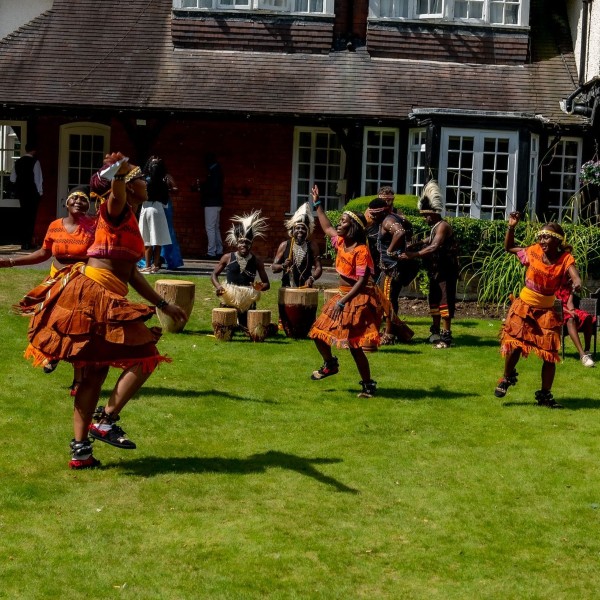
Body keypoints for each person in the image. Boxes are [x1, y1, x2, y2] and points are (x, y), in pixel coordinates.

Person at [17, 153, 188, 469]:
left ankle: (80, 452)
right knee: (146, 356)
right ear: (126, 187)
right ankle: (105, 420)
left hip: (105, 294)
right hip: (95, 294)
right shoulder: (115, 209)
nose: (146, 183)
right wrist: (119, 174)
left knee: (95, 371)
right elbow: (116, 192)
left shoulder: (129, 218)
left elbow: (132, 273)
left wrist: (163, 303)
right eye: (141, 179)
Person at [0, 185, 95, 388]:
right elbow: (44, 253)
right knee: (47, 321)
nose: (79, 201)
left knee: (78, 330)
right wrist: (10, 261)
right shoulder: (55, 225)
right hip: (56, 281)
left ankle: (78, 380)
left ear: (89, 205)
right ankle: (52, 354)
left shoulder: (94, 226)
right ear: (66, 202)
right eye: (75, 198)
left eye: (84, 199)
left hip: (81, 283)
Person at [494, 214, 582, 408]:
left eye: (546, 237)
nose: (541, 241)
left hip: (546, 311)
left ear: (557, 241)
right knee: (515, 344)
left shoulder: (565, 258)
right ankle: (507, 378)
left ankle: (545, 395)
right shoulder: (532, 251)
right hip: (524, 306)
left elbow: (574, 275)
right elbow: (508, 248)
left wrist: (577, 283)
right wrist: (511, 227)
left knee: (549, 354)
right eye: (540, 237)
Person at [308, 184, 382, 399]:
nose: (338, 224)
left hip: (356, 300)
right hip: (341, 297)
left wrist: (343, 301)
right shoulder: (341, 242)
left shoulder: (360, 250)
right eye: (340, 221)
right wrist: (318, 204)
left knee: (354, 345)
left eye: (343, 222)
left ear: (353, 228)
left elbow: (361, 281)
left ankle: (368, 385)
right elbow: (326, 227)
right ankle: (330, 364)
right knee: (317, 334)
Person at [400, 180, 459, 349]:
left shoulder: (443, 226)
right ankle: (435, 332)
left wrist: (412, 255)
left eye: (426, 215)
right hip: (435, 271)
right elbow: (428, 240)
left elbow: (434, 246)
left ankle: (446, 338)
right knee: (434, 300)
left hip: (446, 271)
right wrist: (415, 244)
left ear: (434, 213)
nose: (424, 218)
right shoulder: (435, 227)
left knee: (444, 302)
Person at [367, 197, 418, 345]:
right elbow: (408, 227)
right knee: (389, 299)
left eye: (374, 214)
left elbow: (400, 232)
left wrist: (390, 250)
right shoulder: (393, 217)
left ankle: (389, 335)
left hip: (392, 268)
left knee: (387, 301)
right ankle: (399, 332)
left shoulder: (388, 220)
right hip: (391, 267)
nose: (371, 217)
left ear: (381, 212)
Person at [211, 210, 270, 328]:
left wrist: (259, 287)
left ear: (251, 244)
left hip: (247, 299)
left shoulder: (257, 261)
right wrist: (219, 287)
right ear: (236, 243)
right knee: (225, 327)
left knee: (246, 327)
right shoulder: (227, 257)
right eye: (241, 242)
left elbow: (267, 284)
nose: (244, 245)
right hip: (229, 296)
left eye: (247, 242)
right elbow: (213, 275)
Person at [271, 202, 322, 288]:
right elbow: (273, 268)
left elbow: (319, 268)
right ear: (293, 230)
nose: (300, 231)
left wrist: (312, 278)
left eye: (303, 228)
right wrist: (283, 266)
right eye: (297, 228)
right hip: (287, 288)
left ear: (307, 231)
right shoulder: (284, 245)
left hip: (305, 289)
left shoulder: (312, 246)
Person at [139, 156, 172, 273]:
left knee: (147, 240)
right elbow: (165, 199)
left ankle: (147, 265)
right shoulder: (163, 181)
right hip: (158, 208)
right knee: (157, 240)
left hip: (146, 207)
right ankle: (155, 265)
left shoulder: (144, 181)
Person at [10, 143, 43, 250]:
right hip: (32, 193)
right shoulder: (35, 161)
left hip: (21, 193)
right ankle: (27, 243)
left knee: (23, 217)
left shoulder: (18, 162)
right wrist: (40, 193)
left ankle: (23, 242)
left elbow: (12, 178)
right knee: (31, 218)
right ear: (34, 150)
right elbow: (38, 179)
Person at [556, 281, 595, 367]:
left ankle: (587, 350)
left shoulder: (569, 287)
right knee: (570, 318)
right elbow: (553, 302)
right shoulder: (553, 286)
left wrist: (572, 311)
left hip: (569, 309)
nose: (570, 279)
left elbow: (570, 302)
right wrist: (568, 312)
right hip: (559, 311)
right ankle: (582, 355)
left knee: (588, 317)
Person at [200, 152, 224, 260]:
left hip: (211, 203)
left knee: (210, 227)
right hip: (217, 202)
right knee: (215, 228)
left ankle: (211, 252)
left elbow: (213, 188)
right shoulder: (217, 170)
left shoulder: (214, 171)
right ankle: (219, 250)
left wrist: (203, 189)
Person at [161, 169, 184, 270]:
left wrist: (167, 189)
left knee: (168, 232)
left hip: (165, 205)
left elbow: (175, 189)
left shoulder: (167, 176)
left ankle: (171, 259)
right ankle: (155, 260)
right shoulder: (149, 177)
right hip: (156, 206)